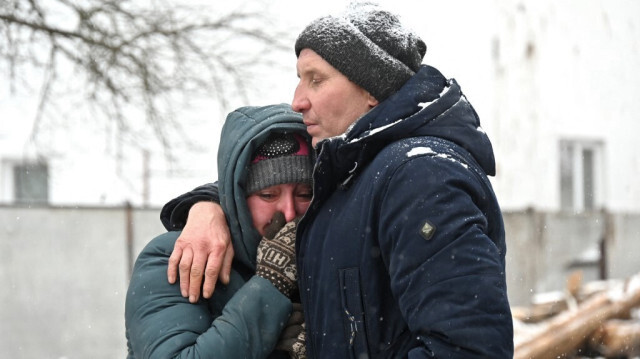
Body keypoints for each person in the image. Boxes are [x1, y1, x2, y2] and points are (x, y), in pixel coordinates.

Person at [161, 2, 514, 357]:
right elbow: (255, 181)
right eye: (299, 79)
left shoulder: (420, 175)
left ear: (371, 89)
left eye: (316, 80)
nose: (297, 100)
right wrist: (208, 208)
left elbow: (467, 348)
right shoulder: (355, 173)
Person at [125, 104, 310, 358]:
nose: (289, 212)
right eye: (268, 195)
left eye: (304, 194)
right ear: (238, 198)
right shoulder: (177, 256)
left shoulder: (327, 256)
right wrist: (271, 285)